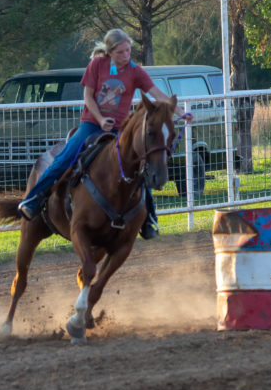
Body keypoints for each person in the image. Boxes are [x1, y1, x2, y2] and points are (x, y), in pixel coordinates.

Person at [18, 28, 192, 239]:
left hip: (120, 130)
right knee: (64, 158)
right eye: (120, 52)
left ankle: (150, 219)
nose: (126, 55)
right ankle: (33, 200)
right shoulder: (97, 65)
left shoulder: (135, 71)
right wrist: (101, 119)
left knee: (139, 168)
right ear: (110, 52)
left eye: (128, 51)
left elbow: (156, 93)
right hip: (91, 124)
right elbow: (88, 97)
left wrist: (182, 113)